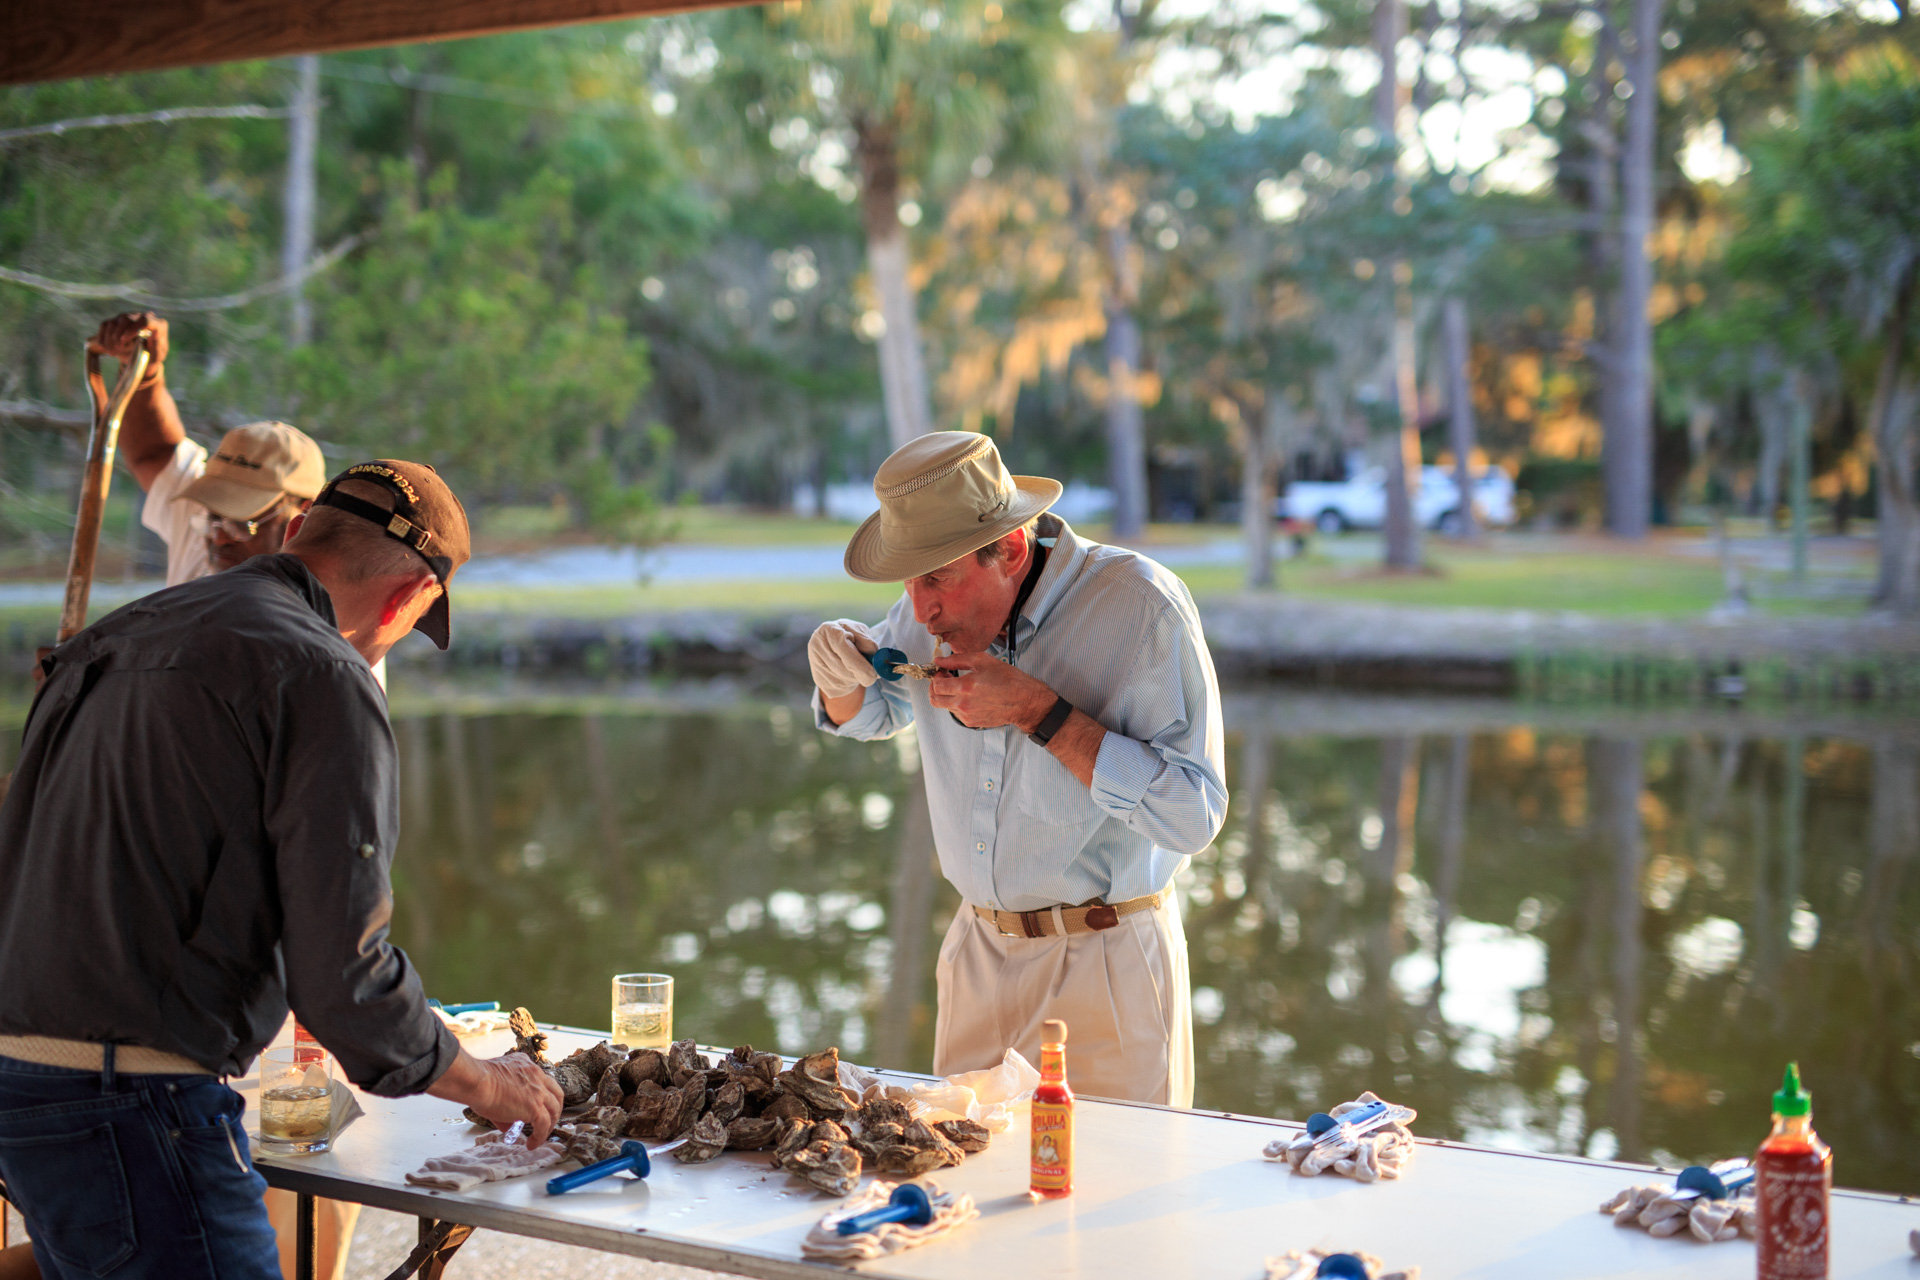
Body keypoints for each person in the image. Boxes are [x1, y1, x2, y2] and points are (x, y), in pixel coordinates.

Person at [0, 461, 563, 1280]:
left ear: (299, 531)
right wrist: (485, 1083)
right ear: (411, 597)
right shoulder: (323, 672)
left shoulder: (115, 636)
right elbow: (345, 979)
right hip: (134, 1100)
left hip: (22, 1080)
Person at [807, 432, 1227, 1106]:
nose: (919, 611)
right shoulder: (929, 611)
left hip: (1107, 966)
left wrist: (1040, 712)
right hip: (976, 958)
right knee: (959, 1193)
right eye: (908, 581)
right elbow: (871, 713)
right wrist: (837, 673)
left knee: (1108, 1204)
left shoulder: (1143, 606)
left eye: (936, 577)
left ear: (1007, 549)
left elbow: (1192, 815)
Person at [91, 311, 326, 585]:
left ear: (304, 517)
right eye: (213, 517)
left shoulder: (326, 605)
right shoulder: (202, 530)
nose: (219, 537)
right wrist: (143, 371)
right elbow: (152, 454)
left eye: (241, 524)